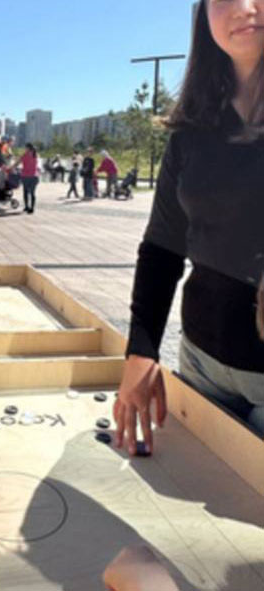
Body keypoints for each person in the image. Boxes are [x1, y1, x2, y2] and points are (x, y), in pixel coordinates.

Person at [115, 0, 264, 457]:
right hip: (201, 362)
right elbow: (162, 246)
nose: (243, 7)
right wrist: (141, 351)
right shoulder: (192, 130)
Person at [12, 142, 39, 214]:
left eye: (25, 148)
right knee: (33, 193)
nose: (25, 149)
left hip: (26, 176)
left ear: (28, 148)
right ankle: (32, 208)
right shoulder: (35, 155)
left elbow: (17, 163)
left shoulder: (25, 155)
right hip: (34, 176)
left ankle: (27, 206)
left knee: (25, 192)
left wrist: (11, 168)